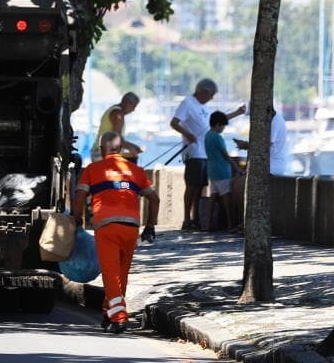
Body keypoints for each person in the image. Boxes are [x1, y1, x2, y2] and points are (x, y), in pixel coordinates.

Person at [71, 131, 160, 334]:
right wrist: (150, 226)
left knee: (111, 275)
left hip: (107, 226)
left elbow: (79, 198)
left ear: (102, 149)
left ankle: (119, 318)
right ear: (121, 149)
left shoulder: (93, 169)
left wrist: (76, 219)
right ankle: (107, 312)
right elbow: (154, 199)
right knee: (121, 273)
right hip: (131, 228)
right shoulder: (135, 171)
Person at [170, 79, 245, 231]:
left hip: (205, 154)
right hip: (194, 152)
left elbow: (216, 121)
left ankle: (196, 218)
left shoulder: (203, 107)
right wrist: (188, 134)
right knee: (192, 186)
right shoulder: (187, 103)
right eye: (211, 95)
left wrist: (237, 113)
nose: (211, 98)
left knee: (200, 188)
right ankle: (186, 219)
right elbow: (174, 122)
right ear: (203, 91)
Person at [204, 111, 241, 231]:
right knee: (226, 200)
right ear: (217, 124)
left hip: (212, 170)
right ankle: (231, 224)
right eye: (223, 126)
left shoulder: (207, 135)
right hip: (222, 171)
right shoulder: (218, 137)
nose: (223, 128)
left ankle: (208, 224)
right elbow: (225, 155)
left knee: (212, 199)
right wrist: (237, 168)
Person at [233, 107, 290, 176]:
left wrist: (246, 145)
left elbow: (266, 145)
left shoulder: (274, 121)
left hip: (273, 166)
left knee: (239, 182)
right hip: (269, 165)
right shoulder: (274, 119)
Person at [91, 92, 142, 161]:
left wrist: (131, 146)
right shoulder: (118, 114)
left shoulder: (113, 110)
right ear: (128, 103)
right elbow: (116, 137)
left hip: (100, 152)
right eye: (133, 106)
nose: (133, 110)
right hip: (102, 154)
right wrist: (131, 148)